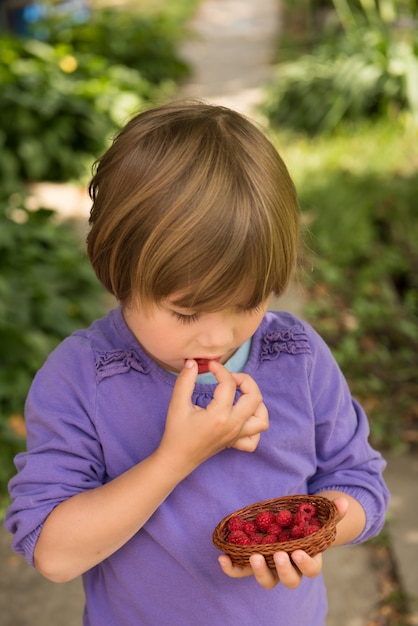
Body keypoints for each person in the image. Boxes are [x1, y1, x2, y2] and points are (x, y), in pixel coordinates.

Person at [5, 100, 389, 626]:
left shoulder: (296, 357)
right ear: (117, 271)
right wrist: (177, 457)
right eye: (186, 312)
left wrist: (305, 535)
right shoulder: (84, 378)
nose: (219, 336)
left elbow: (360, 483)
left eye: (249, 304)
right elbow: (53, 553)